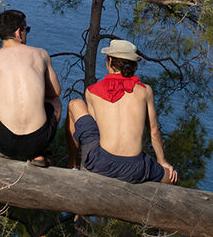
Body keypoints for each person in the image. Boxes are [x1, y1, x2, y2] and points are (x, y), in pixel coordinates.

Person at [67, 39, 178, 184]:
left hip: (101, 163)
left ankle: (72, 164)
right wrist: (162, 161)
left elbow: (94, 132)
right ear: (133, 65)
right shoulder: (145, 91)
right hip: (136, 168)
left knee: (74, 104)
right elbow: (154, 131)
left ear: (110, 60)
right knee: (171, 176)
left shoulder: (92, 91)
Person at [0, 9, 62, 166]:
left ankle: (1, 151)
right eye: (26, 30)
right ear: (18, 32)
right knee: (55, 101)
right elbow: (55, 92)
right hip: (38, 140)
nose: (26, 33)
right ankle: (38, 155)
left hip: (4, 140)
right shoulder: (40, 54)